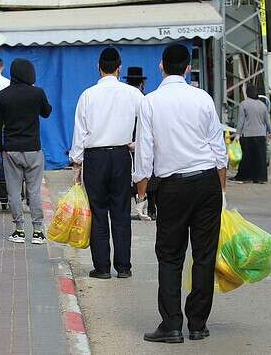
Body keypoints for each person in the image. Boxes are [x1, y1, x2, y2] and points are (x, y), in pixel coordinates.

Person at [134, 44, 227, 343]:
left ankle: (172, 325)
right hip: (206, 183)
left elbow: (144, 154)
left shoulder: (149, 102)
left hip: (172, 187)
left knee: (170, 256)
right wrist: (221, 192)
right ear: (189, 68)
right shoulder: (203, 98)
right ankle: (198, 324)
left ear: (161, 66)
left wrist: (142, 194)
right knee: (204, 255)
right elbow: (218, 149)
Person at [69, 48, 144, 280]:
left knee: (98, 212)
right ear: (119, 68)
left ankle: (102, 268)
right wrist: (137, 145)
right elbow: (147, 122)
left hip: (96, 158)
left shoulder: (87, 95)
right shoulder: (133, 94)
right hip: (122, 156)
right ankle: (124, 267)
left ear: (98, 67)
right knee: (121, 212)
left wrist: (77, 163)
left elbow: (79, 132)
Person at [0, 58, 52, 244]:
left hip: (11, 149)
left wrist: (1, 148)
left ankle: (18, 230)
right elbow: (47, 112)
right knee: (34, 191)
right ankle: (38, 231)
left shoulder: (2, 96)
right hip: (33, 148)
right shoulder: (37, 93)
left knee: (14, 192)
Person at [125, 67, 158, 220]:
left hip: (125, 141)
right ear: (142, 83)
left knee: (129, 175)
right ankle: (151, 206)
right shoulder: (146, 99)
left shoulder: (122, 98)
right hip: (143, 140)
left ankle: (134, 206)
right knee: (148, 172)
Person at [232, 85, 271, 184]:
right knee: (260, 157)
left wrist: (238, 133)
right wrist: (270, 132)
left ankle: (245, 177)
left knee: (247, 157)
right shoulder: (263, 105)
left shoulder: (244, 104)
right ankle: (260, 178)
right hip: (260, 135)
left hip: (247, 135)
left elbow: (241, 121)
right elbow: (267, 121)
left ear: (247, 93)